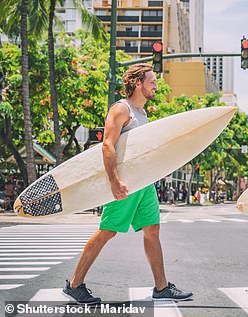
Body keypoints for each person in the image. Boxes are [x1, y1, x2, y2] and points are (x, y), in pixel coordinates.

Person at [63, 64, 192, 304]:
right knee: (107, 231)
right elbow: (107, 145)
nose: (155, 85)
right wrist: (114, 181)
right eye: (151, 82)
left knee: (152, 230)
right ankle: (74, 284)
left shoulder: (142, 113)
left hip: (144, 183)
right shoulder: (121, 110)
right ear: (138, 84)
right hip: (125, 183)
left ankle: (161, 287)